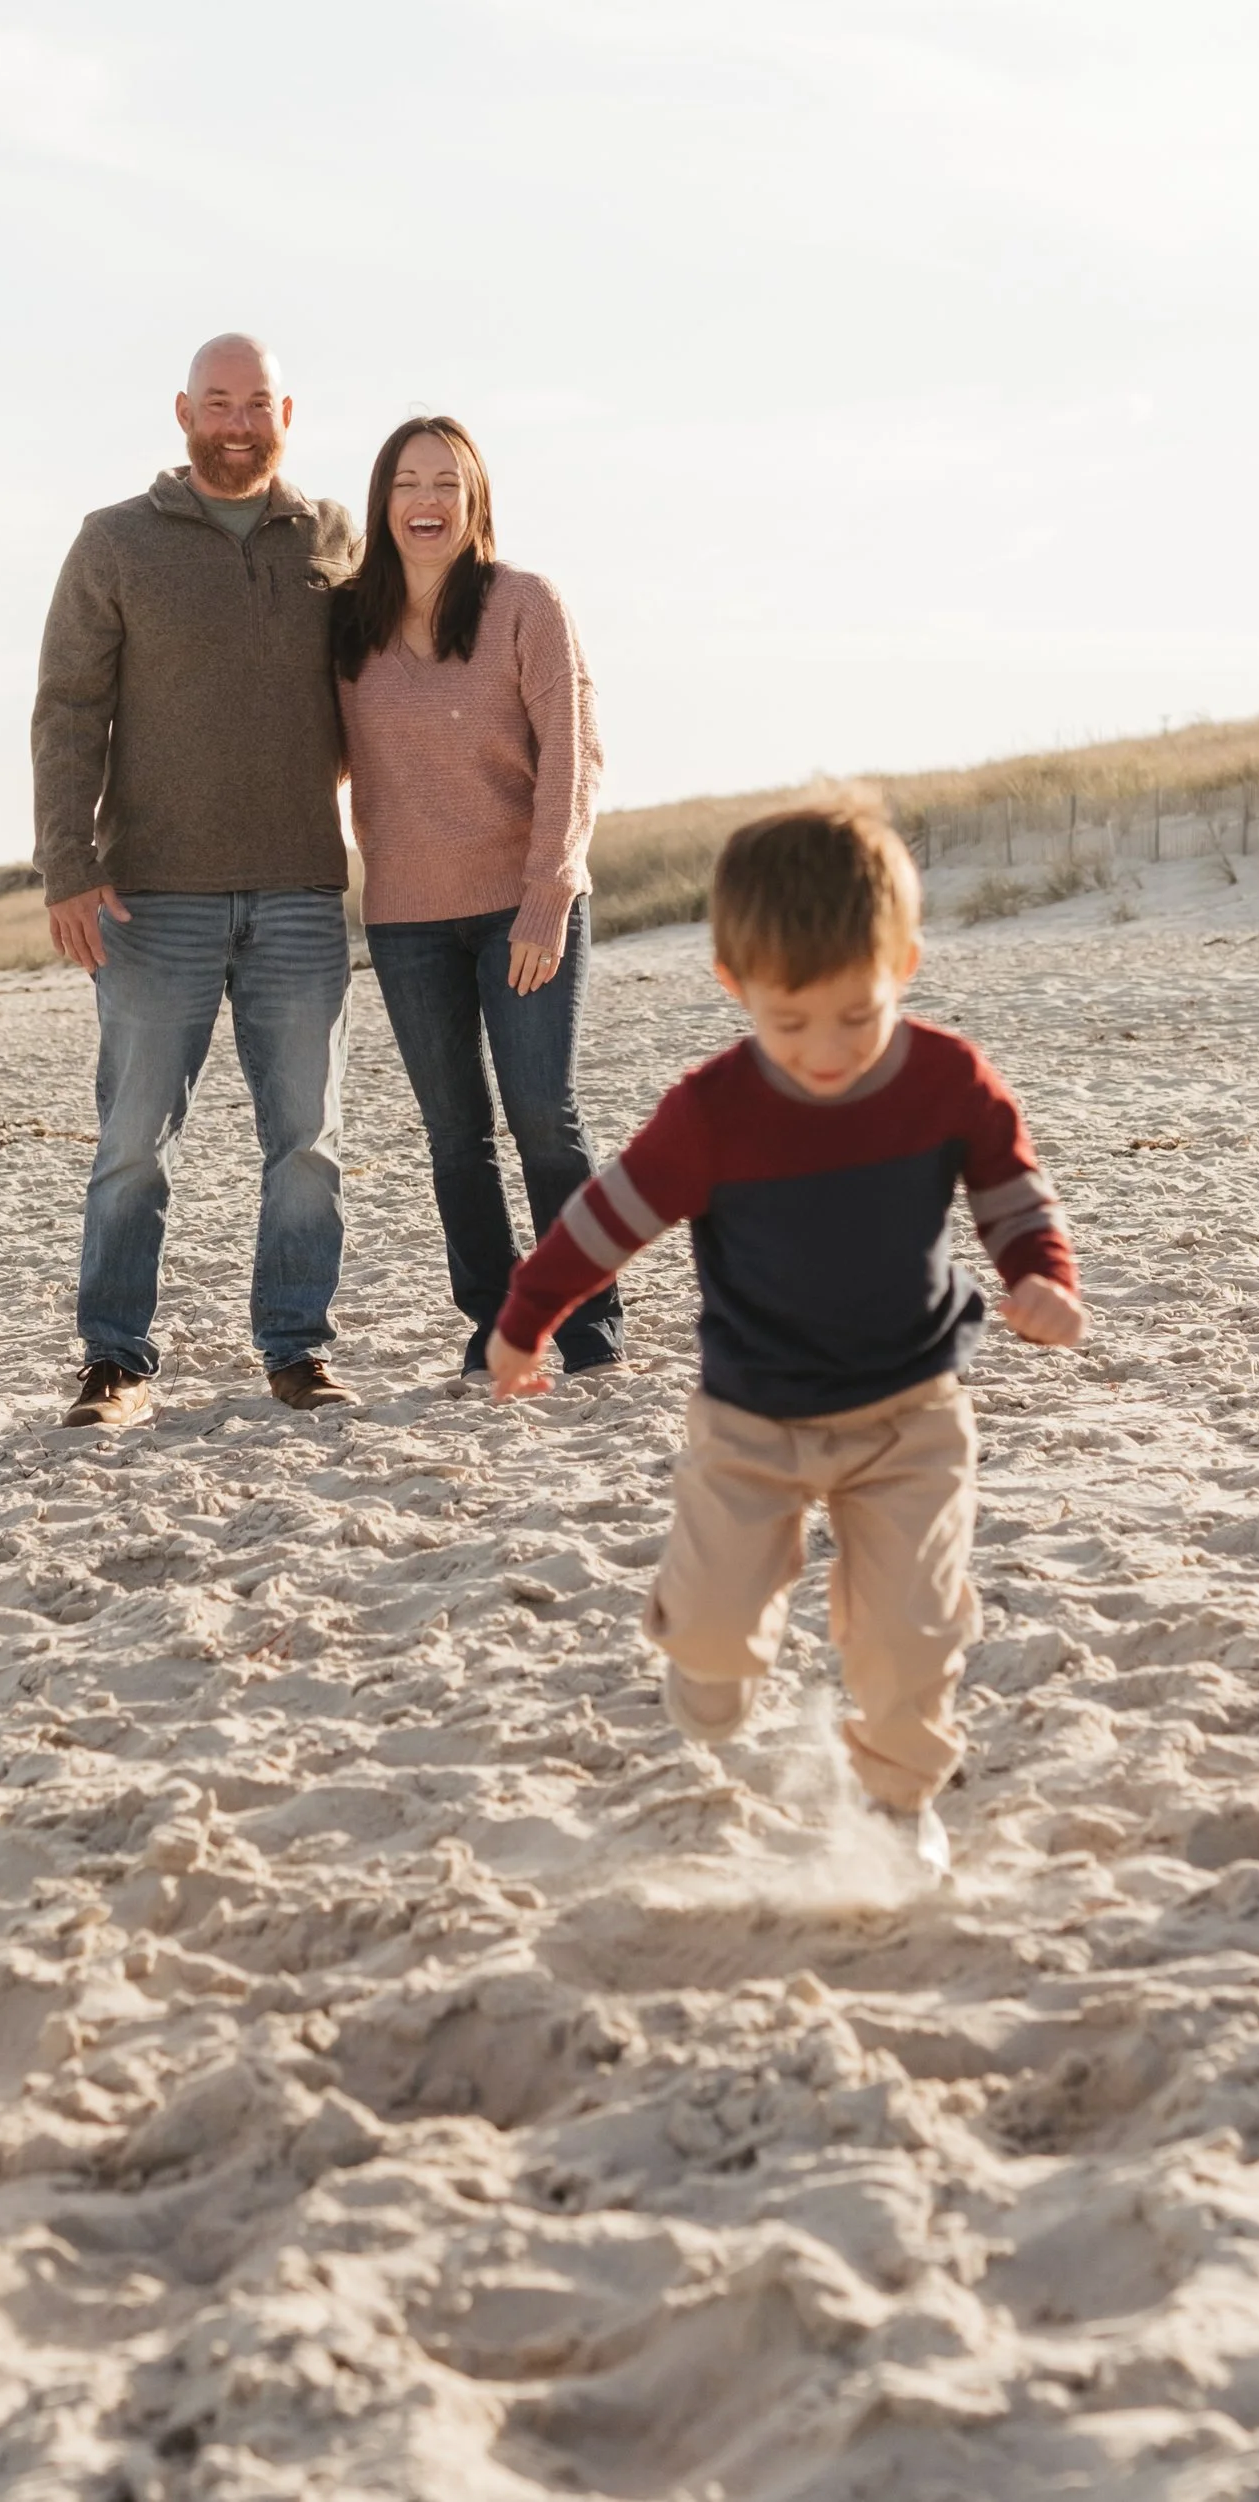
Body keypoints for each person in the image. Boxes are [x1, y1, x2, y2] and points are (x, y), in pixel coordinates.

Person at [488, 797, 1088, 1871]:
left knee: (912, 1635)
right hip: (751, 1419)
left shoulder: (947, 1079)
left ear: (902, 963)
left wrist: (1039, 1278)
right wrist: (528, 1320)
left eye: (857, 1016)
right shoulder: (713, 1111)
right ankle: (710, 1660)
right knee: (715, 1653)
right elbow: (607, 1218)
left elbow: (1009, 1192)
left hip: (910, 1413)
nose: (824, 1051)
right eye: (789, 1020)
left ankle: (901, 1807)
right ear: (735, 985)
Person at [33, 332, 360, 1426]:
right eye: (217, 403)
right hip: (149, 896)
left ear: (286, 414)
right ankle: (114, 1361)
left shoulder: (331, 539)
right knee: (131, 1146)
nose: (236, 423)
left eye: (255, 403)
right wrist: (66, 868)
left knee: (307, 1143)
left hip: (301, 890)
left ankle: (297, 1349)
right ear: (182, 413)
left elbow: (392, 684)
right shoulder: (114, 541)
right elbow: (69, 711)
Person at [333, 414, 615, 1380]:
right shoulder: (348, 627)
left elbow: (574, 756)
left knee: (543, 1115)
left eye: (447, 483)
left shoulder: (525, 602)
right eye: (408, 482)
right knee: (455, 1133)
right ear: (382, 501)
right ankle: (496, 1321)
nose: (427, 500)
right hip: (407, 919)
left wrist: (548, 896)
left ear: (475, 499)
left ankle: (582, 1318)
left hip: (521, 905)